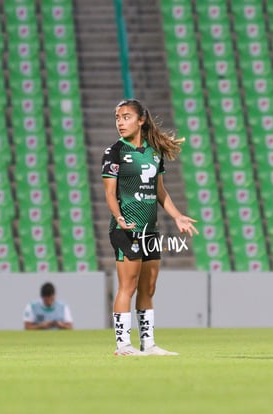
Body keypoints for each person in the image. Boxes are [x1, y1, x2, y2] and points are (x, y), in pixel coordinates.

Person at [101, 99, 198, 356]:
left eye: (126, 117)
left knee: (149, 288)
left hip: (150, 229)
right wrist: (119, 217)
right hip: (126, 228)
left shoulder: (154, 153)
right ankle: (123, 345)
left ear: (141, 120)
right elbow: (110, 193)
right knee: (128, 286)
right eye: (118, 117)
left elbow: (160, 191)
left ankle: (149, 344)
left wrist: (177, 216)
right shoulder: (114, 152)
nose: (120, 122)